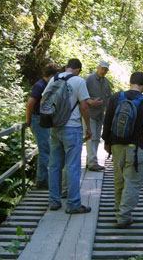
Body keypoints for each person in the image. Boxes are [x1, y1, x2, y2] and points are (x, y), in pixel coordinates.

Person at [102, 72, 143, 228]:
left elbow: (107, 122)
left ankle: (119, 208)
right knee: (132, 182)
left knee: (119, 180)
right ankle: (124, 216)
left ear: (130, 82)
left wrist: (107, 142)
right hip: (135, 147)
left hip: (116, 145)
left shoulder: (115, 98)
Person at [44, 58, 92, 214]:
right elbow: (84, 106)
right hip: (72, 127)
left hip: (55, 127)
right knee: (72, 167)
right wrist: (88, 128)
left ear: (66, 67)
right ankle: (73, 204)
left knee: (54, 166)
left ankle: (54, 201)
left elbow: (44, 100)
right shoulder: (79, 81)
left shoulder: (54, 79)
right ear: (78, 69)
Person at [25, 63, 59, 189]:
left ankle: (43, 179)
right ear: (52, 75)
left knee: (46, 149)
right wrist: (28, 121)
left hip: (43, 119)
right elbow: (30, 104)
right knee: (45, 150)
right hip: (38, 119)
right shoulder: (40, 86)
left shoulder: (46, 85)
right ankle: (41, 180)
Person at [85, 61, 112, 171]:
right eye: (102, 69)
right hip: (89, 113)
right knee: (91, 137)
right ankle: (92, 163)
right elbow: (81, 95)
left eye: (105, 70)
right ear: (98, 68)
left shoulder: (106, 82)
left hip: (100, 114)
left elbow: (108, 98)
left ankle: (90, 161)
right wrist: (91, 102)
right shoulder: (89, 79)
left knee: (96, 138)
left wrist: (110, 111)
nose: (103, 71)